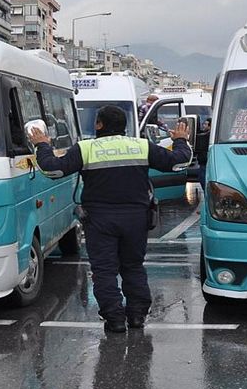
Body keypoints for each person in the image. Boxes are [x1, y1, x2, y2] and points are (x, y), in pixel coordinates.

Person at [29, 105, 192, 333]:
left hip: (99, 220)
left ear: (99, 124)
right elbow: (179, 162)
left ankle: (114, 320)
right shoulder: (141, 146)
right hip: (136, 219)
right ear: (124, 126)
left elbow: (53, 169)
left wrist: (42, 145)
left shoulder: (85, 148)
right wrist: (182, 140)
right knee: (133, 267)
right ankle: (137, 317)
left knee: (104, 270)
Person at [195, 119, 211, 189]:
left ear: (210, 126)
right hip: (203, 163)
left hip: (204, 163)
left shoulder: (207, 136)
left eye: (206, 124)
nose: (203, 126)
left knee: (203, 180)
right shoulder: (205, 134)